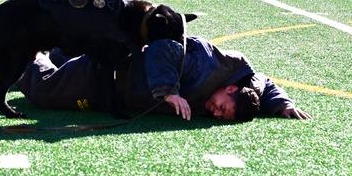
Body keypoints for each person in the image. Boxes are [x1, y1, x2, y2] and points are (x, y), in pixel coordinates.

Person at [16, 36, 310, 123]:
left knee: (69, 51)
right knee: (44, 92)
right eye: (222, 107)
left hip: (119, 91)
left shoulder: (244, 87)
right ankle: (21, 52)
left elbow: (263, 82)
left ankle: (53, 47)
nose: (214, 112)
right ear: (230, 88)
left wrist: (281, 104)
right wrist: (169, 91)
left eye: (222, 117)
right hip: (109, 75)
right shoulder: (206, 64)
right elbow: (163, 46)